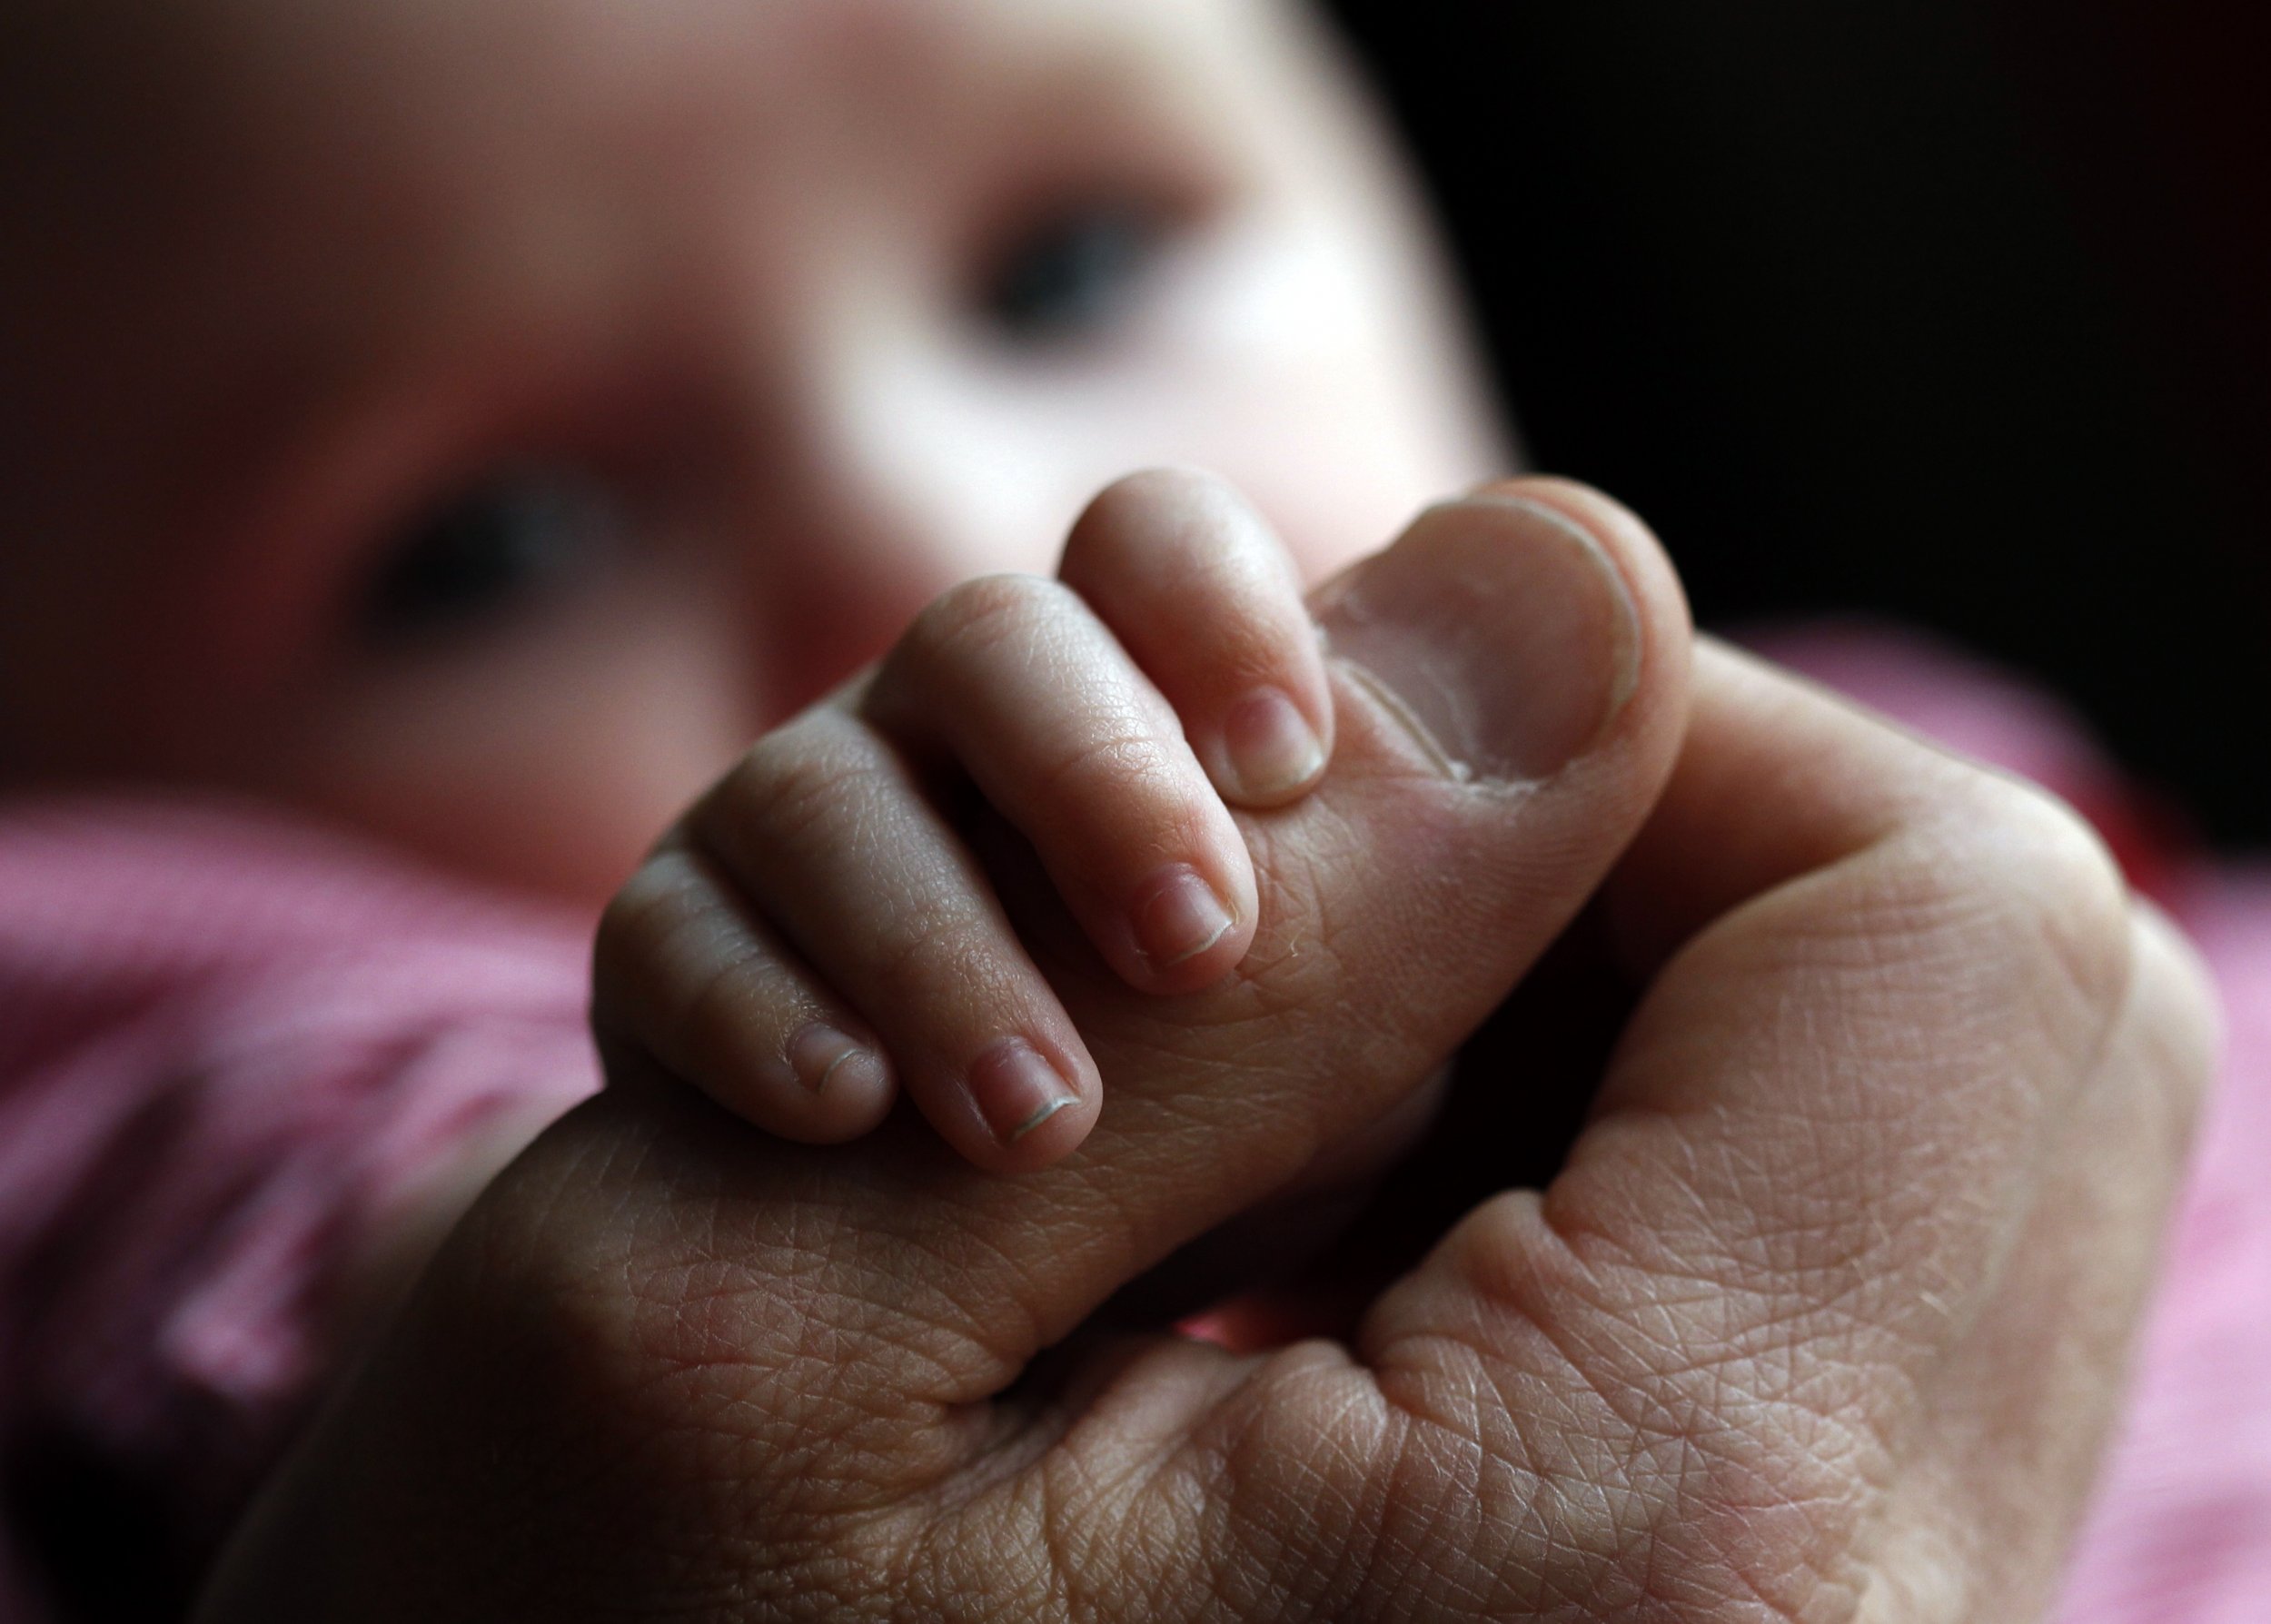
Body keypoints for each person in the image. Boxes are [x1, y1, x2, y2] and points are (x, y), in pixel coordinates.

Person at [0, 0, 2236, 1617]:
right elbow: (268, 1153)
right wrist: (637, 1184)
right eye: (480, 550)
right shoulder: (227, 1017)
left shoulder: (1878, 760)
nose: (953, 548)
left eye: (1068, 266)